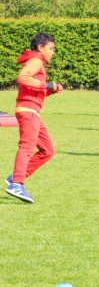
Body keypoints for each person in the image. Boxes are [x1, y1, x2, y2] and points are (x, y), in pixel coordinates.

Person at [4, 33, 64, 203]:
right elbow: (22, 78)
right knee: (27, 146)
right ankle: (17, 183)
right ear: (40, 47)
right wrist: (46, 84)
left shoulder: (38, 63)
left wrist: (50, 90)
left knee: (48, 150)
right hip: (27, 110)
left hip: (33, 111)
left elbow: (35, 91)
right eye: (51, 48)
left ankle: (17, 175)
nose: (52, 52)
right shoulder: (36, 61)